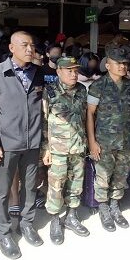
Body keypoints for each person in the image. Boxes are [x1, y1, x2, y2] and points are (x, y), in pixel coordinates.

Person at [0, 31, 44, 260]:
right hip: (7, 144)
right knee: (2, 191)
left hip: (33, 142)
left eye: (32, 45)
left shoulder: (38, 73)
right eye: (24, 45)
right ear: (11, 48)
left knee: (30, 186)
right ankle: (3, 233)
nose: (29, 49)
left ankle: (26, 224)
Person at [87, 48, 130, 231]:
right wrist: (92, 141)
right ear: (108, 65)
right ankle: (103, 208)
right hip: (104, 141)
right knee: (103, 176)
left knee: (121, 175)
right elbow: (90, 114)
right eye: (118, 63)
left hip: (126, 139)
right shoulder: (98, 85)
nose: (123, 66)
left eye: (125, 63)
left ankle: (115, 206)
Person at [42, 57, 90, 244]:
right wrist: (45, 149)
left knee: (76, 184)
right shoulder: (50, 91)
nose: (74, 74)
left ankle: (71, 216)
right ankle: (55, 219)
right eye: (69, 70)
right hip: (58, 149)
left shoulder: (82, 90)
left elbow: (85, 118)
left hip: (78, 147)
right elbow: (43, 122)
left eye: (76, 70)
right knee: (56, 185)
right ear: (58, 72)